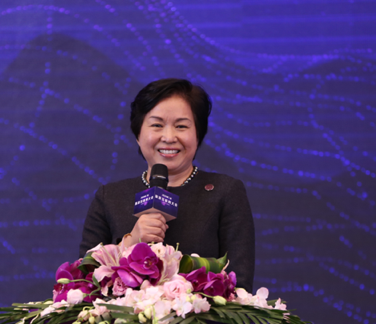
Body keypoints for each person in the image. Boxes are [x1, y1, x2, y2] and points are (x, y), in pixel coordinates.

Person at [79, 79, 256, 291]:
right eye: (157, 125)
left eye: (181, 126)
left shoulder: (225, 192)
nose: (169, 137)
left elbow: (239, 284)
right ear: (138, 134)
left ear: (198, 134)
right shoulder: (110, 197)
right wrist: (131, 241)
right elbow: (84, 282)